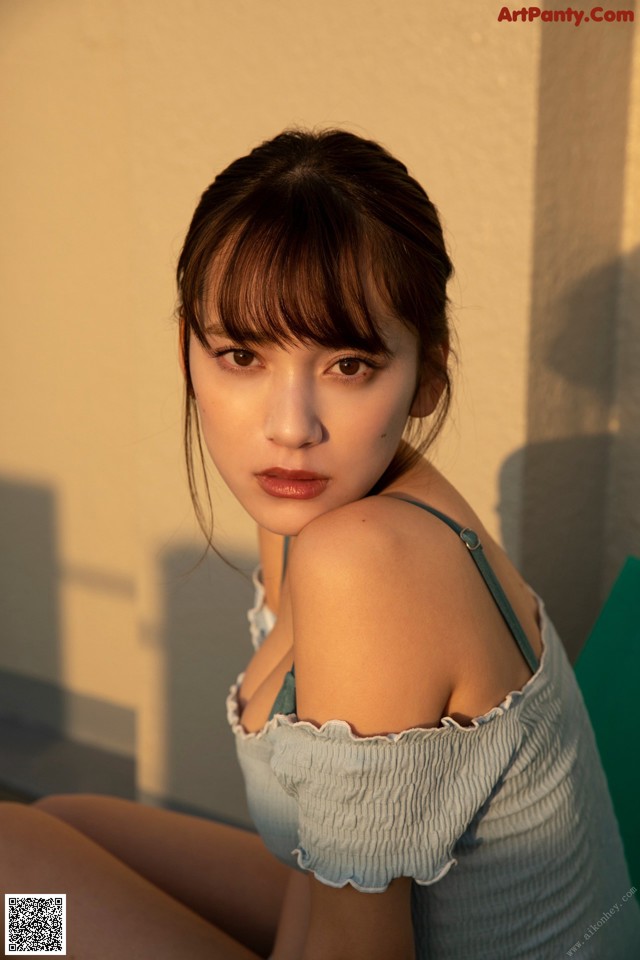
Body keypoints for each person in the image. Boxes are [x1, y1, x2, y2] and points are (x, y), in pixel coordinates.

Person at [1, 129, 638, 960]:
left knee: (14, 880)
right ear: (189, 351)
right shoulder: (314, 503)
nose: (289, 427)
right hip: (393, 919)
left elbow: (357, 948)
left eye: (348, 365)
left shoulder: (366, 560)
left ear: (426, 375)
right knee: (55, 832)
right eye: (242, 355)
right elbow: (321, 843)